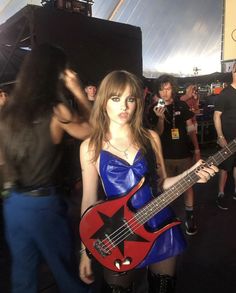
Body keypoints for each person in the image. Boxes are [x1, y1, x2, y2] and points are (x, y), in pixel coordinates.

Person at [79, 70, 217, 293]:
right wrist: (84, 249)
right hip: (118, 232)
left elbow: (161, 184)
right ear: (104, 101)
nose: (124, 106)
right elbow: (88, 202)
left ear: (137, 102)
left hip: (160, 225)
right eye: (116, 99)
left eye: (130, 99)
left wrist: (191, 174)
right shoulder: (90, 147)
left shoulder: (150, 138)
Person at [0, 43, 92, 293]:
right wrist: (79, 92)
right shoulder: (55, 110)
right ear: (55, 73)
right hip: (43, 207)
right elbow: (93, 131)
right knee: (67, 275)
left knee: (23, 277)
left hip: (14, 205)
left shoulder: (8, 113)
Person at [151, 75, 201, 236]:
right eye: (161, 89)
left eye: (167, 88)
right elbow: (156, 134)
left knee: (188, 186)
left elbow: (190, 128)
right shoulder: (155, 108)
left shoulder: (181, 104)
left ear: (172, 88)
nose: (165, 92)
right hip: (164, 156)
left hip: (183, 153)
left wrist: (197, 149)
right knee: (166, 188)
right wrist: (159, 118)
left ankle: (190, 215)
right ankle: (166, 218)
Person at [213, 63, 236, 210]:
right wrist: (220, 137)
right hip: (227, 139)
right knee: (224, 168)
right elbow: (216, 116)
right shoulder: (225, 93)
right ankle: (220, 194)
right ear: (234, 72)